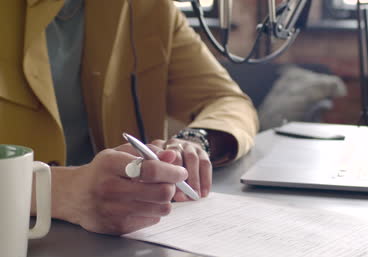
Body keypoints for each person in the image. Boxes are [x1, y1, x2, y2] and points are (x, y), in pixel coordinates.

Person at [0, 0, 258, 235]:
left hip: (119, 240)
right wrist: (61, 192)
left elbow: (228, 101)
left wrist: (194, 142)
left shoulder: (149, 8)